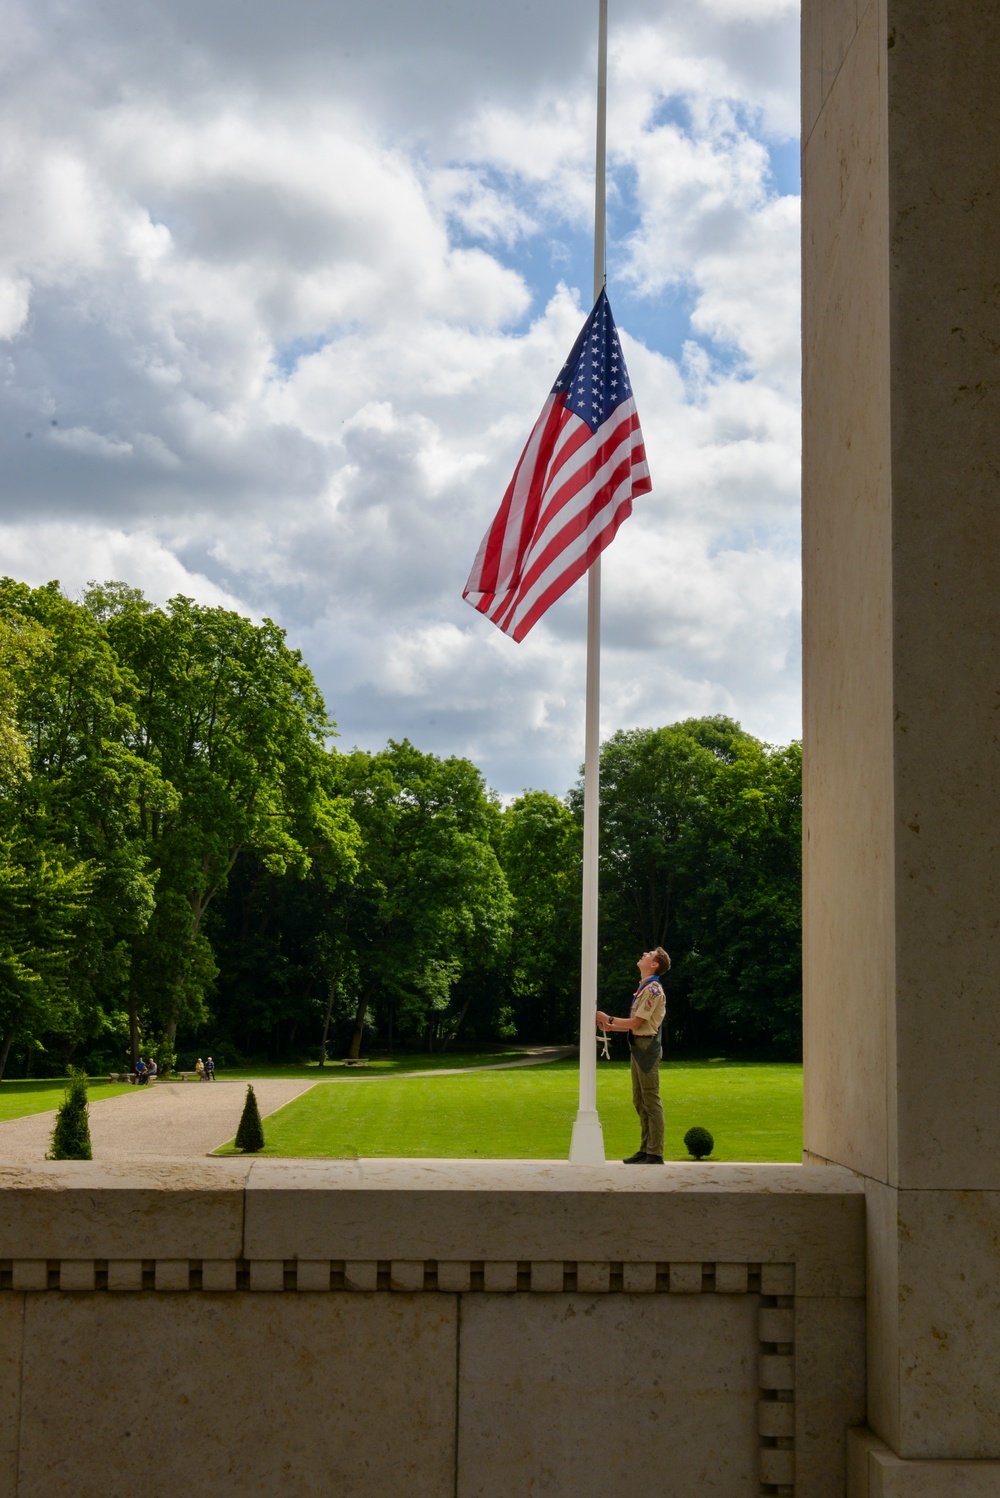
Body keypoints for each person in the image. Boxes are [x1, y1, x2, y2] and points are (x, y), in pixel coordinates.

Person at [596, 947, 670, 1165]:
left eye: (649, 955)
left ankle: (655, 1153)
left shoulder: (653, 990)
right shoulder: (644, 987)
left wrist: (609, 1018)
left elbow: (637, 1023)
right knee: (640, 1100)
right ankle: (646, 1149)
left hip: (647, 1049)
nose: (644, 954)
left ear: (655, 965)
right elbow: (636, 1025)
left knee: (650, 1100)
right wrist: (612, 1027)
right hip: (638, 1046)